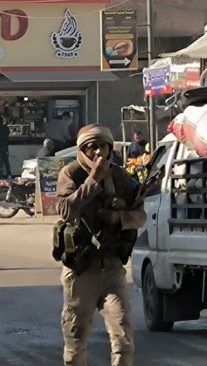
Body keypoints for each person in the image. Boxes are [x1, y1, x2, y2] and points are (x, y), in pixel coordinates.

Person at [54, 124, 146, 366]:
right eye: (91, 147)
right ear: (82, 149)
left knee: (123, 336)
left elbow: (140, 215)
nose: (97, 152)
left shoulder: (120, 176)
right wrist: (93, 179)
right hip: (81, 270)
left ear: (109, 148)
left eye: (102, 146)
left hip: (113, 269)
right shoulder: (71, 174)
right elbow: (65, 210)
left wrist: (118, 218)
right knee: (75, 340)